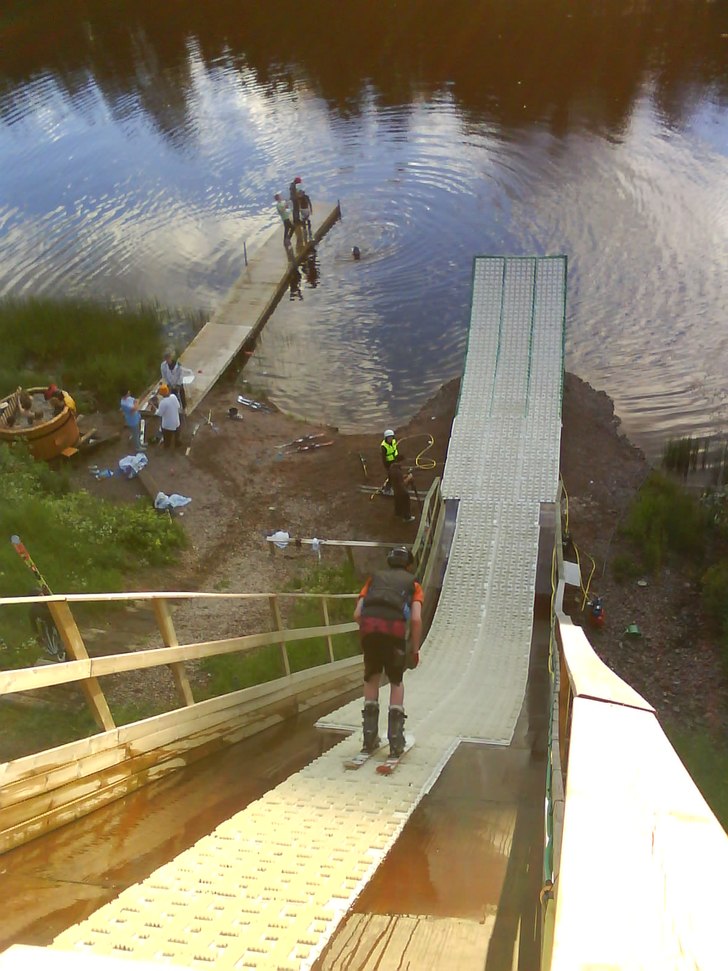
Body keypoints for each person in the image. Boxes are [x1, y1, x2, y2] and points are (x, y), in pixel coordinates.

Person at [354, 546, 423, 756]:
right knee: (395, 680)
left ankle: (369, 738)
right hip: (394, 632)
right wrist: (414, 648)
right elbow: (416, 619)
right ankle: (395, 741)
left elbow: (357, 613)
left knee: (372, 677)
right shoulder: (413, 585)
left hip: (370, 630)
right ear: (409, 565)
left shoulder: (373, 579)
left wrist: (367, 633)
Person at [156, 384, 182, 448]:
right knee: (177, 435)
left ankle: (167, 446)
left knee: (167, 437)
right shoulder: (173, 396)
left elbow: (159, 414)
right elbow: (178, 406)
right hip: (176, 422)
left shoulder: (163, 402)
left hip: (167, 425)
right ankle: (177, 444)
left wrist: (155, 408)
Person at [380, 428, 400, 494]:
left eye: (391, 437)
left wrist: (396, 459)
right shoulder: (384, 446)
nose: (390, 439)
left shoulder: (393, 441)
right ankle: (387, 489)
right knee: (391, 476)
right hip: (388, 463)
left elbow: (395, 450)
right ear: (386, 438)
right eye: (389, 438)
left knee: (397, 473)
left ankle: (394, 486)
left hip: (394, 460)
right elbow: (383, 458)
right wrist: (387, 467)